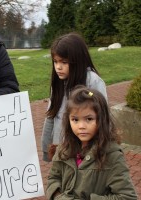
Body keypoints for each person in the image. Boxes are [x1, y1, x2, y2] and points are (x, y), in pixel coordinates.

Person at [46, 86, 138, 199]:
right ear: (68, 120)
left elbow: (127, 197)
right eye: (75, 119)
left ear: (101, 119)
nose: (81, 126)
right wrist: (58, 196)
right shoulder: (63, 149)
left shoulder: (112, 156)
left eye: (89, 119)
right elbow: (53, 179)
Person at [41, 32, 107, 162]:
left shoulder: (93, 82)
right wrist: (46, 147)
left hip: (84, 155)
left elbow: (103, 120)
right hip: (60, 150)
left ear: (78, 61)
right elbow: (51, 115)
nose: (58, 67)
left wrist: (97, 152)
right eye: (55, 62)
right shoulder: (59, 83)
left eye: (64, 62)